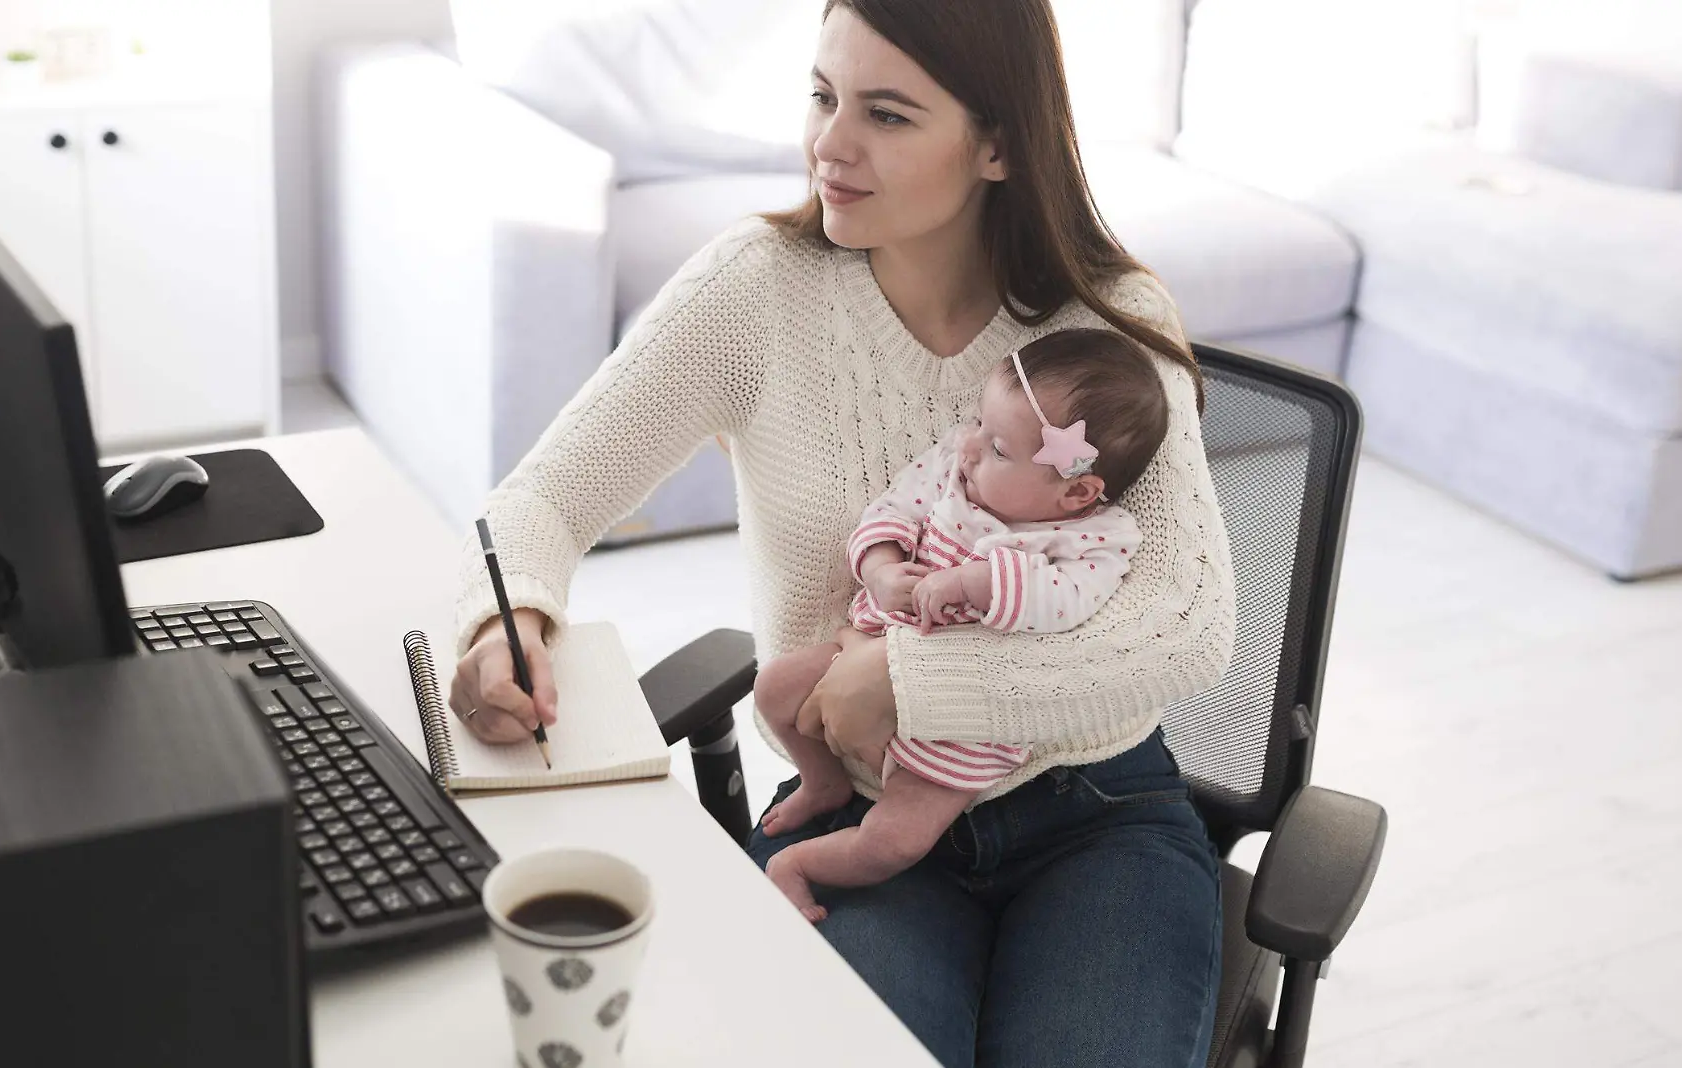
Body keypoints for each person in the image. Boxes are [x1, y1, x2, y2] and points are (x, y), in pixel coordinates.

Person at [449, 1, 1236, 1064]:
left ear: (998, 142)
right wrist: (509, 624)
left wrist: (910, 678)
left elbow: (1185, 626)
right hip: (853, 804)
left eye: (887, 114)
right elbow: (538, 501)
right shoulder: (756, 291)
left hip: (1095, 811)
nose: (830, 143)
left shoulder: (1106, 318)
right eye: (822, 96)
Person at [755, 329, 1170, 924]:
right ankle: (823, 781)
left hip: (968, 727)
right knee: (773, 688)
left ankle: (796, 866)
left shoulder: (1091, 538)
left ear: (1077, 490)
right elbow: (890, 511)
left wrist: (980, 582)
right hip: (868, 646)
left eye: (999, 447)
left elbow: (1070, 604)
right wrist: (881, 569)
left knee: (894, 842)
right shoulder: (953, 470)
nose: (969, 446)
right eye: (979, 422)